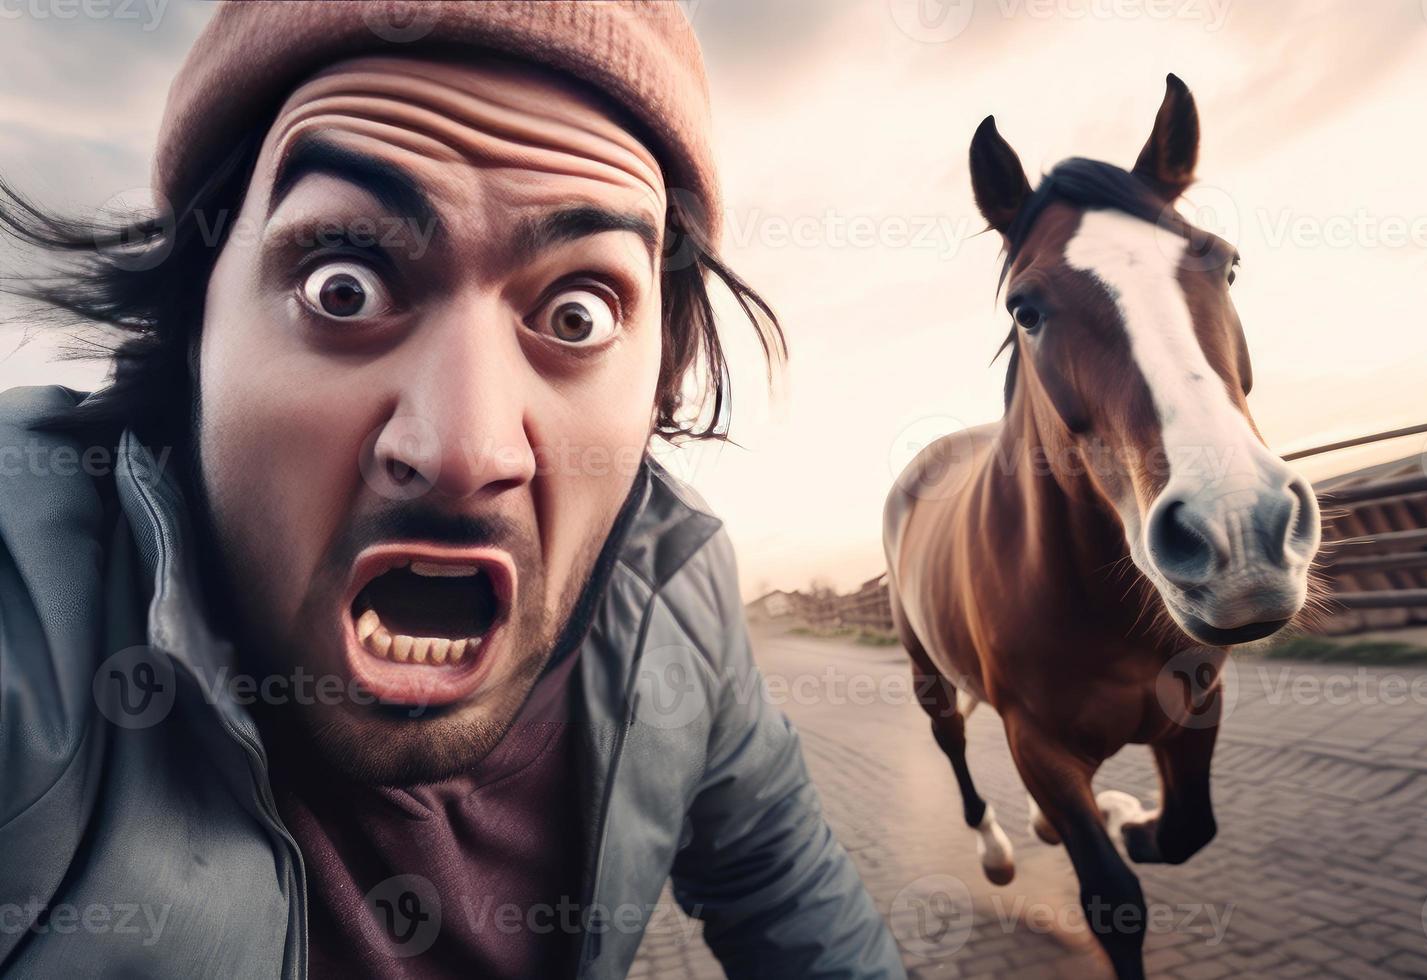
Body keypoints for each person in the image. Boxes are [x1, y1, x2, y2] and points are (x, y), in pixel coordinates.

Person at [0, 3, 903, 977]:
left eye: (577, 311)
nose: (465, 448)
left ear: (659, 381)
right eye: (342, 286)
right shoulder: (32, 602)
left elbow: (780, 881)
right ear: (192, 329)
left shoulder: (675, 600)